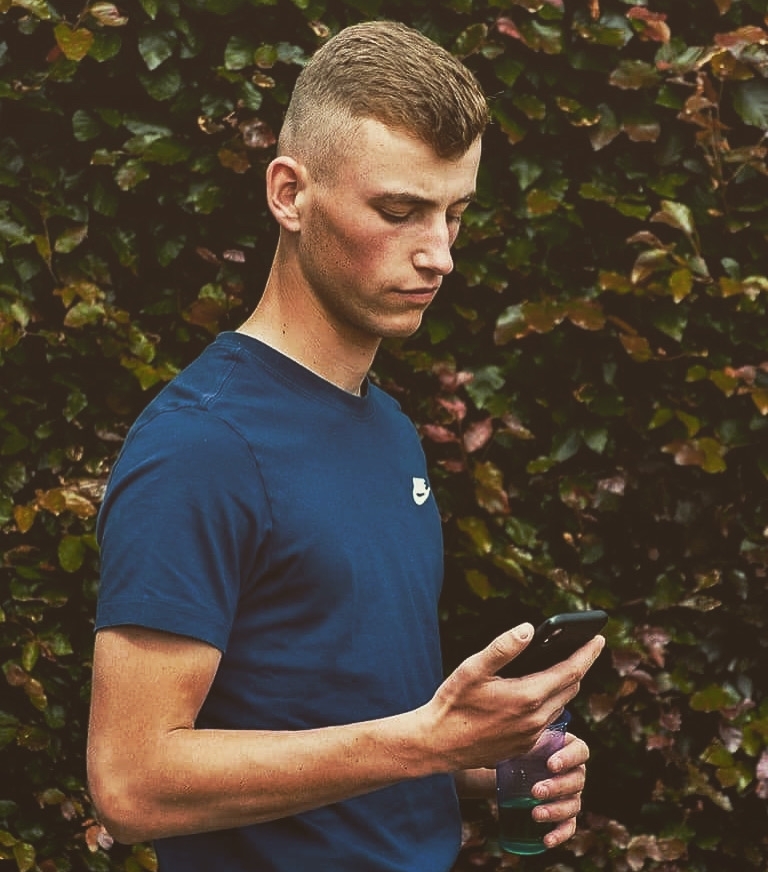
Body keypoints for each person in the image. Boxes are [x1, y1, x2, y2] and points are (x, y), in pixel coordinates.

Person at [87, 19, 605, 872]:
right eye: (399, 211)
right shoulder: (202, 447)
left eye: (455, 213)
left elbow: (345, 724)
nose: (439, 255)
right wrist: (427, 741)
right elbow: (132, 782)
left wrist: (477, 756)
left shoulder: (387, 427)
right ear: (290, 194)